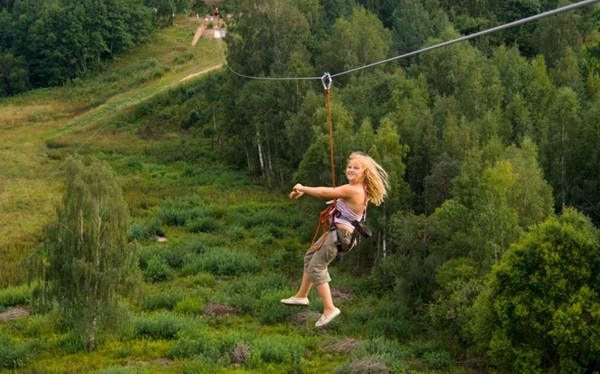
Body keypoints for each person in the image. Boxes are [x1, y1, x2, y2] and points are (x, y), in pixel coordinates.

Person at [281, 152, 390, 327]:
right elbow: (332, 195)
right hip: (336, 234)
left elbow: (326, 192)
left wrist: (303, 188)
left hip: (340, 236)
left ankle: (329, 308)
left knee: (317, 266)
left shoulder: (353, 190)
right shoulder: (354, 188)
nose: (351, 170)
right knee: (310, 257)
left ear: (364, 173)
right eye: (350, 167)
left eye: (356, 168)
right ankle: (301, 295)